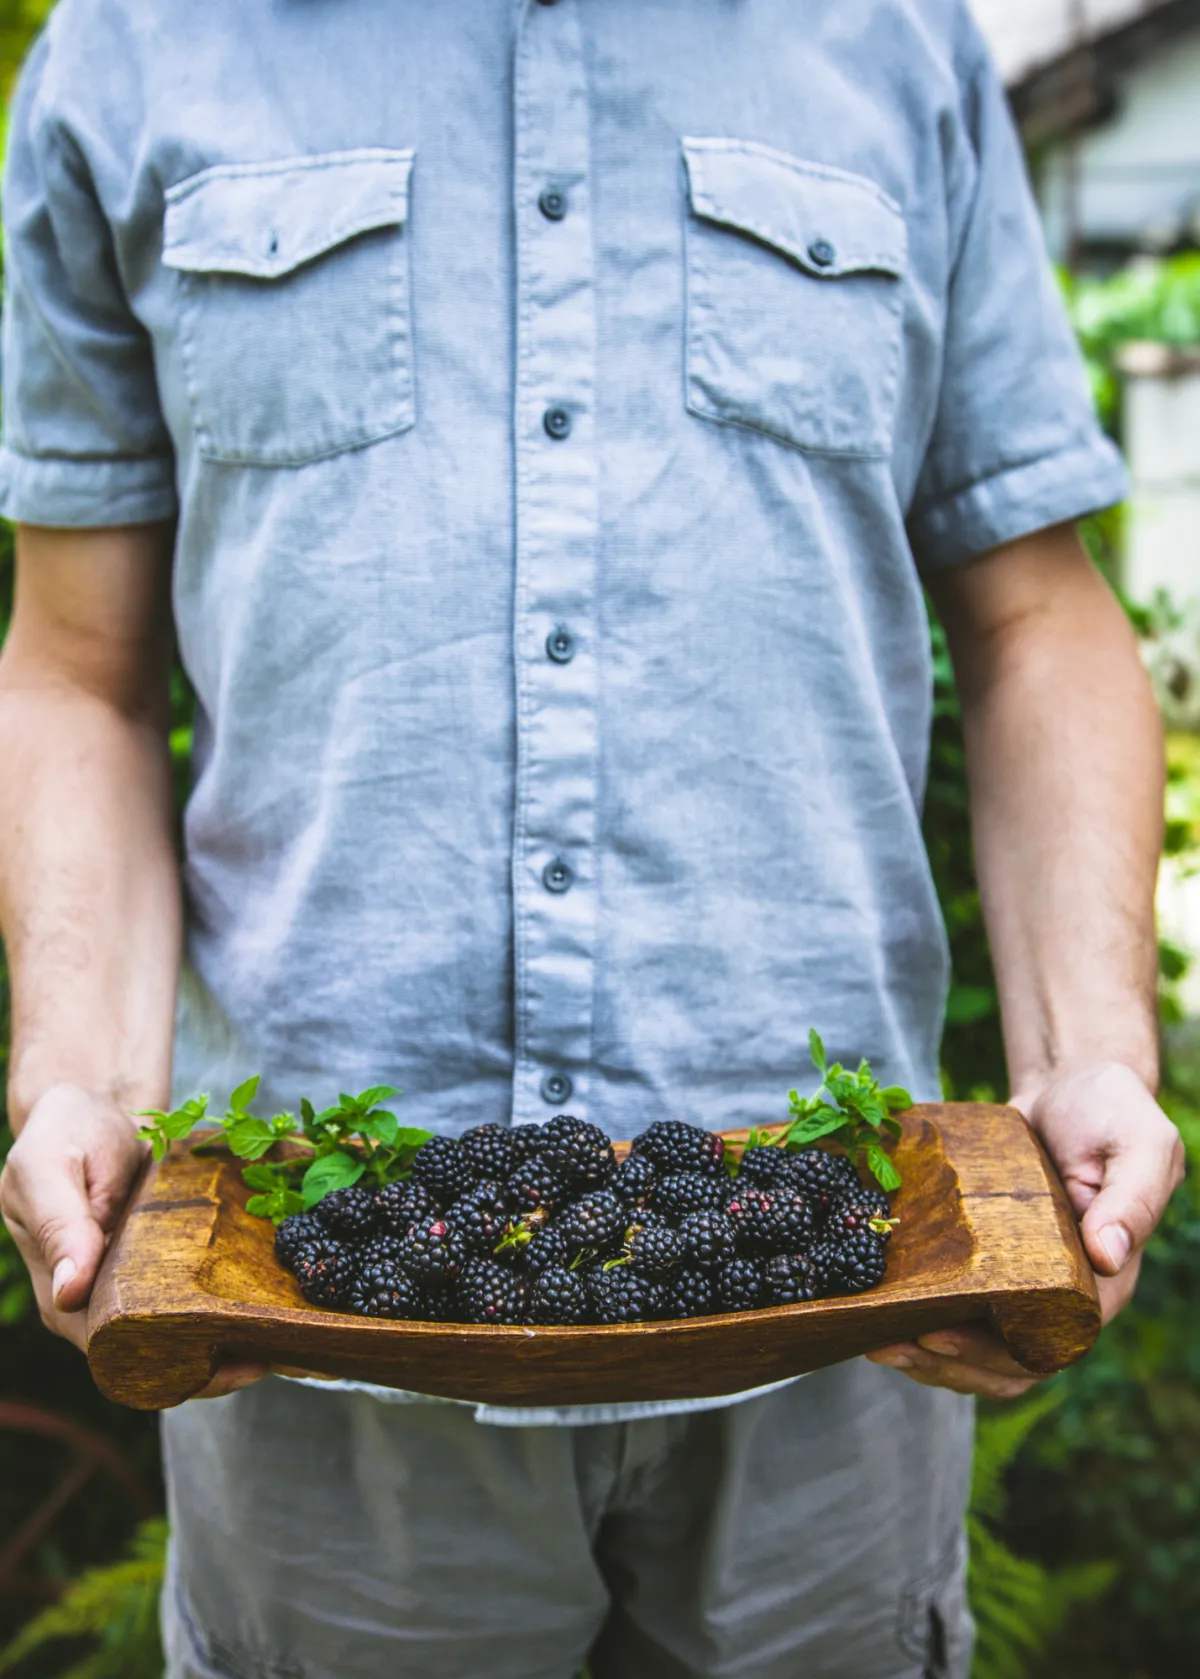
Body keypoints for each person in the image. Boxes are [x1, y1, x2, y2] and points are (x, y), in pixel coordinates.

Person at [0, 2, 1183, 1675]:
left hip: (844, 1298)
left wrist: (1089, 1052)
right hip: (316, 1295)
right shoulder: (132, 54)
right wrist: (80, 1078)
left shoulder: (899, 45)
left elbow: (1038, 620)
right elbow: (76, 672)